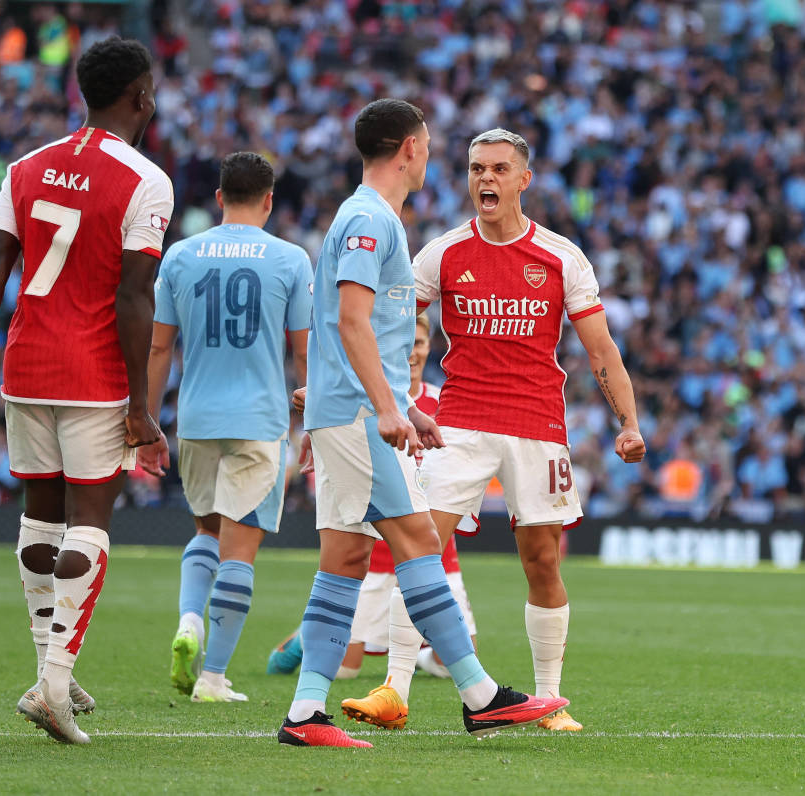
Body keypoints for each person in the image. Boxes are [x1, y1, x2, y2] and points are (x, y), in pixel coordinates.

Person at [277, 100, 567, 748]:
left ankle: (305, 713)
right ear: (408, 148)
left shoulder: (371, 218)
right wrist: (385, 407)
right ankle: (480, 695)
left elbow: (353, 333)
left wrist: (401, 406)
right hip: (354, 417)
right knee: (414, 541)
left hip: (346, 410)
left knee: (347, 558)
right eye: (431, 145)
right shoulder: (370, 220)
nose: (434, 156)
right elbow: (351, 321)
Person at [342, 128, 646, 734]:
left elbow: (600, 350)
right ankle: (394, 688)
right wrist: (385, 395)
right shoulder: (442, 254)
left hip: (537, 426)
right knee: (421, 548)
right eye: (478, 168)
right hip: (459, 424)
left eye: (500, 169)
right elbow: (390, 320)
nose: (487, 178)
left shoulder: (561, 256)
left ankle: (549, 703)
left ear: (523, 180)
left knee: (541, 562)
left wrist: (630, 422)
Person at [0, 37, 173, 745]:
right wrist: (141, 407)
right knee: (90, 522)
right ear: (140, 96)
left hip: (26, 365)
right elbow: (136, 297)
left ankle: (49, 667)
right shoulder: (145, 180)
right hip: (95, 374)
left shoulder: (26, 166)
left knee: (39, 518)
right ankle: (53, 682)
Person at [140, 151, 312, 704]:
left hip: (196, 418)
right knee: (241, 551)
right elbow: (303, 351)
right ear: (268, 200)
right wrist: (309, 422)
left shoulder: (180, 256)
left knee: (205, 533)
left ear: (218, 199)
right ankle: (212, 677)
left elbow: (159, 345)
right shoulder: (290, 259)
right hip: (259, 420)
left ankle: (190, 619)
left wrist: (144, 419)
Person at [267, 313, 479, 695]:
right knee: (346, 670)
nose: (411, 353)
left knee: (456, 661)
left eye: (418, 343)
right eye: (405, 343)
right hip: (377, 557)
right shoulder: (369, 404)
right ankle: (301, 640)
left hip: (435, 554)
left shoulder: (446, 404)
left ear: (430, 347)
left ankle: (418, 655)